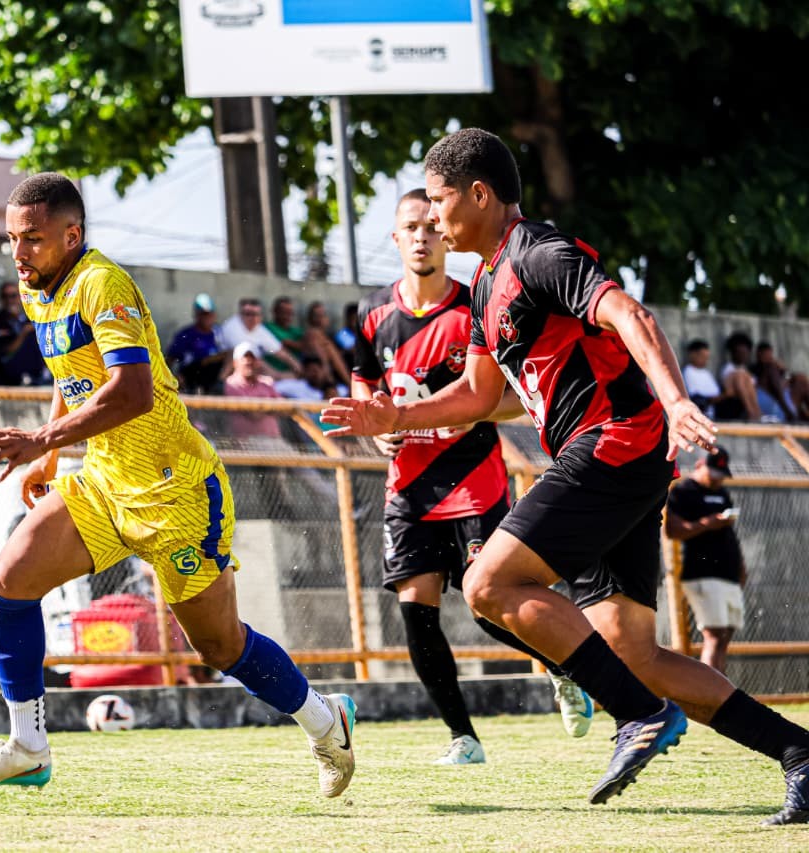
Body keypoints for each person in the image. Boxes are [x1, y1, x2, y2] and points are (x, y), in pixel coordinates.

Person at [321, 127, 809, 825]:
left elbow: (628, 311)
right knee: (632, 651)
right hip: (610, 456)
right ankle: (799, 754)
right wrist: (391, 417)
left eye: (438, 199)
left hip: (616, 442)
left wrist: (675, 399)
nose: (430, 217)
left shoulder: (539, 253)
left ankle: (637, 716)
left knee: (489, 582)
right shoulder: (487, 282)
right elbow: (477, 394)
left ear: (480, 195)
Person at [0, 173, 357, 798]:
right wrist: (52, 455)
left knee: (221, 647)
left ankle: (326, 721)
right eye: (11, 239)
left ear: (71, 235)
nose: (19, 253)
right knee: (6, 582)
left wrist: (43, 441)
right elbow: (70, 372)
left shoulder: (101, 283)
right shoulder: (39, 291)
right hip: (106, 482)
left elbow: (131, 392)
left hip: (178, 494)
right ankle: (28, 746)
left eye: (31, 239)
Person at [353, 188, 593, 765]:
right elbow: (365, 383)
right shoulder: (373, 315)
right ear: (395, 238)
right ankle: (464, 738)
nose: (420, 236)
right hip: (407, 488)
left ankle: (566, 663)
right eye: (408, 227)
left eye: (428, 226)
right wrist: (377, 424)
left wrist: (466, 407)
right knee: (415, 606)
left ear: (444, 233)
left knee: (488, 604)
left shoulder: (474, 306)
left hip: (474, 481)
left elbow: (513, 398)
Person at [665, 448, 746, 674]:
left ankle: (720, 692)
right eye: (713, 474)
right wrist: (707, 523)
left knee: (726, 634)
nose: (716, 480)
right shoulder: (683, 492)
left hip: (727, 573)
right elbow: (672, 530)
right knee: (713, 634)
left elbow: (731, 534)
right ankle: (710, 695)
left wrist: (741, 566)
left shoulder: (721, 492)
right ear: (700, 465)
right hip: (702, 572)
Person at [219, 298, 302, 379]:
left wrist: (297, 366)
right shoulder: (233, 326)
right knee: (252, 361)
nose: (253, 317)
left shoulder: (259, 329)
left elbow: (279, 352)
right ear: (240, 315)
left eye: (256, 314)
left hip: (247, 369)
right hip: (219, 363)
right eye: (248, 314)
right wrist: (276, 375)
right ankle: (220, 384)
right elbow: (242, 354)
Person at [165, 293, 228, 395]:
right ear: (196, 315)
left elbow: (227, 354)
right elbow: (170, 358)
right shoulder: (185, 334)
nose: (207, 317)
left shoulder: (219, 332)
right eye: (203, 314)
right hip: (190, 375)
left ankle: (217, 386)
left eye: (209, 313)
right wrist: (171, 378)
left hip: (213, 376)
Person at [0, 280, 47, 386]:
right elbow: (5, 350)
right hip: (8, 369)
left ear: (20, 298)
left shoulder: (27, 318)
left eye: (13, 296)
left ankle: (44, 374)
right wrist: (23, 333)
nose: (9, 300)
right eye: (5, 296)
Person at [753, 341, 809, 423]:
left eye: (769, 355)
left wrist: (784, 372)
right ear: (758, 355)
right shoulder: (757, 370)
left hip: (784, 404)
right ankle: (790, 413)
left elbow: (790, 378)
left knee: (801, 379)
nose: (768, 357)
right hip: (775, 408)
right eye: (764, 354)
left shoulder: (776, 368)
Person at [717, 332, 762, 421]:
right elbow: (730, 391)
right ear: (733, 353)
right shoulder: (728, 369)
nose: (743, 356)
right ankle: (752, 412)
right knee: (740, 375)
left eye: (745, 353)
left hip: (748, 402)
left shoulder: (746, 369)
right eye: (740, 353)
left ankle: (757, 412)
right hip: (733, 404)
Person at [681, 339, 724, 419]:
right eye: (702, 356)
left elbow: (716, 392)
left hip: (715, 408)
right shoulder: (688, 371)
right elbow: (696, 397)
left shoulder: (706, 372)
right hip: (701, 410)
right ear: (692, 354)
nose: (705, 360)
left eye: (706, 357)